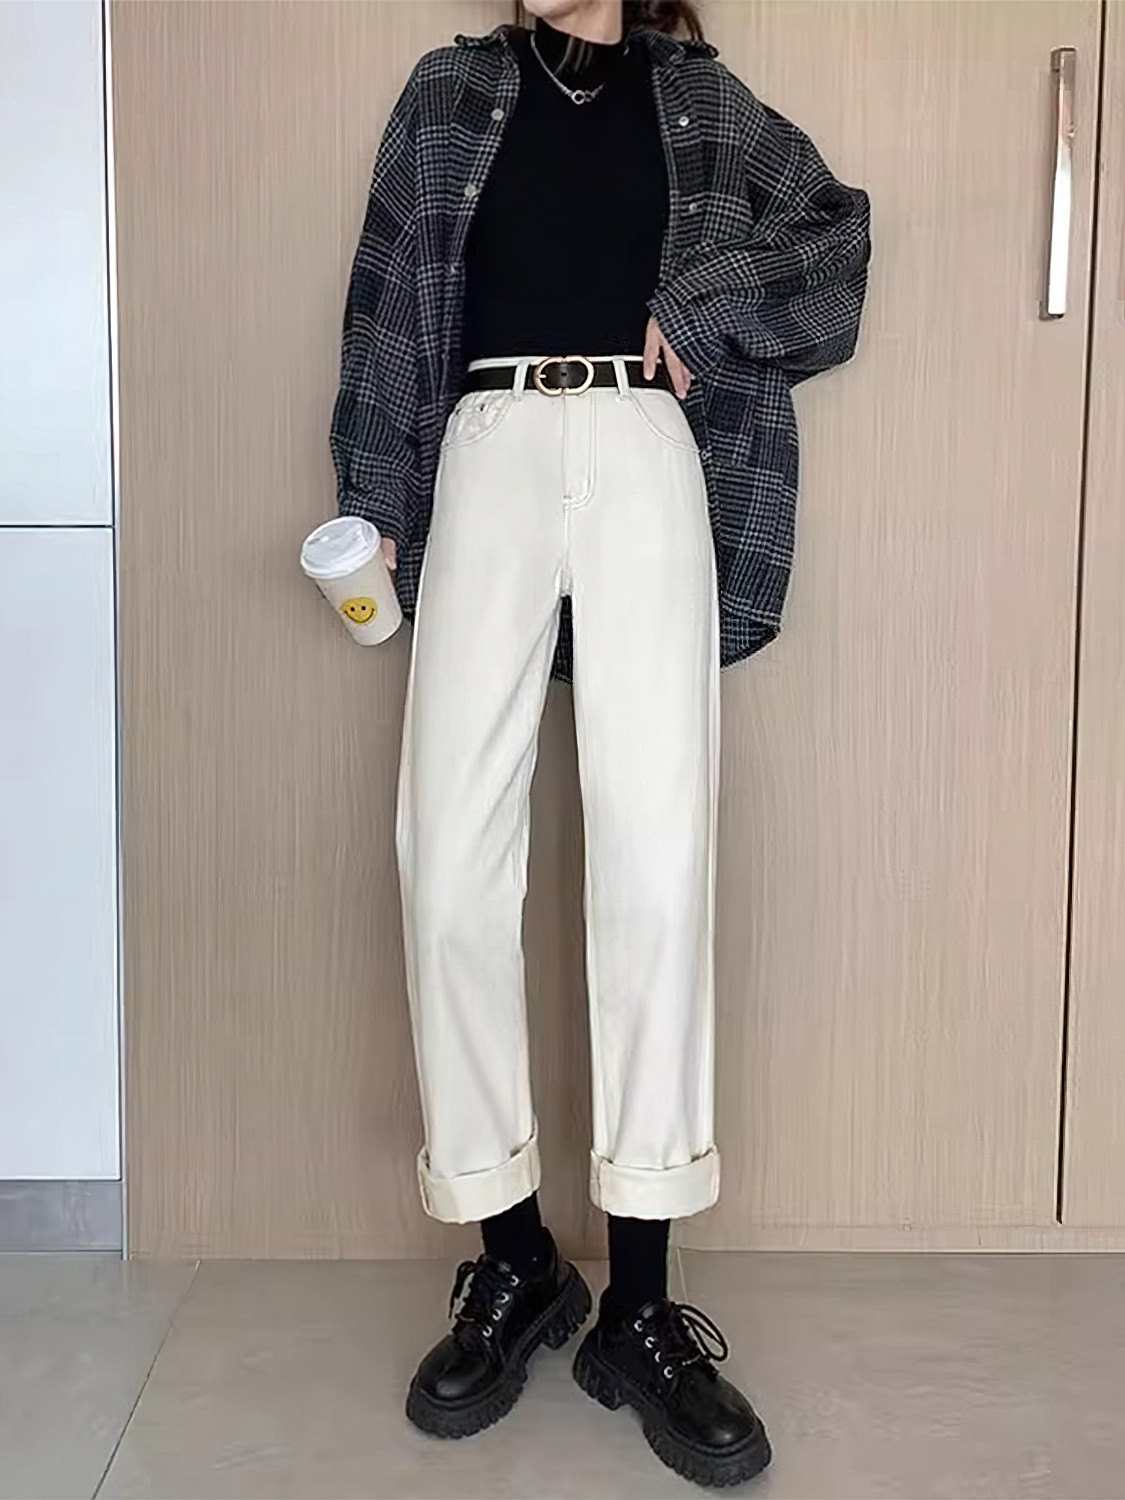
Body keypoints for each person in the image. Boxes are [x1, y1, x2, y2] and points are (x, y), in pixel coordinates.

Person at [330, 0, 869, 1486]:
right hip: (486, 452)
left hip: (643, 454)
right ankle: (513, 1258)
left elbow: (835, 247)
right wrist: (370, 501)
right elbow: (385, 305)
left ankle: (638, 1302)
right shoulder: (449, 93)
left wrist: (699, 312)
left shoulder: (704, 102)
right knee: (447, 863)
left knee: (656, 859)